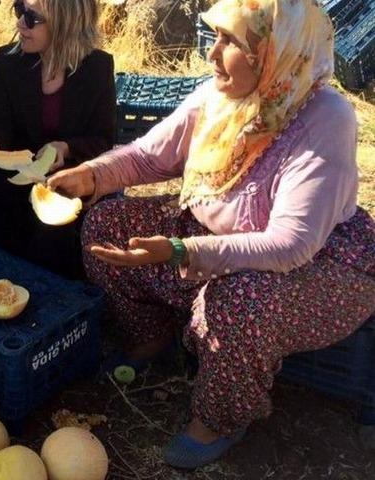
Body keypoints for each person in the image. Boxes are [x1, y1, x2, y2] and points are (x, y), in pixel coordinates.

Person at [48, 0, 375, 469]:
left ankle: (220, 418)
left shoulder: (325, 118)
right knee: (105, 225)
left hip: (311, 268)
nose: (212, 53)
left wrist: (181, 249)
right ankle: (153, 337)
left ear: (273, 52)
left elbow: (292, 244)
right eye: (215, 37)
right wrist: (91, 175)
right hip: (212, 237)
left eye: (231, 41)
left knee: (237, 301)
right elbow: (147, 157)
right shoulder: (220, 96)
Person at [0, 0, 115, 279]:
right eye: (18, 9)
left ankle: (54, 290)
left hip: (69, 177)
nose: (20, 23)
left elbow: (102, 140)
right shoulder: (6, 62)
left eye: (32, 17)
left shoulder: (97, 68)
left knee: (55, 231)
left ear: (65, 22)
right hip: (16, 178)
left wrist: (67, 147)